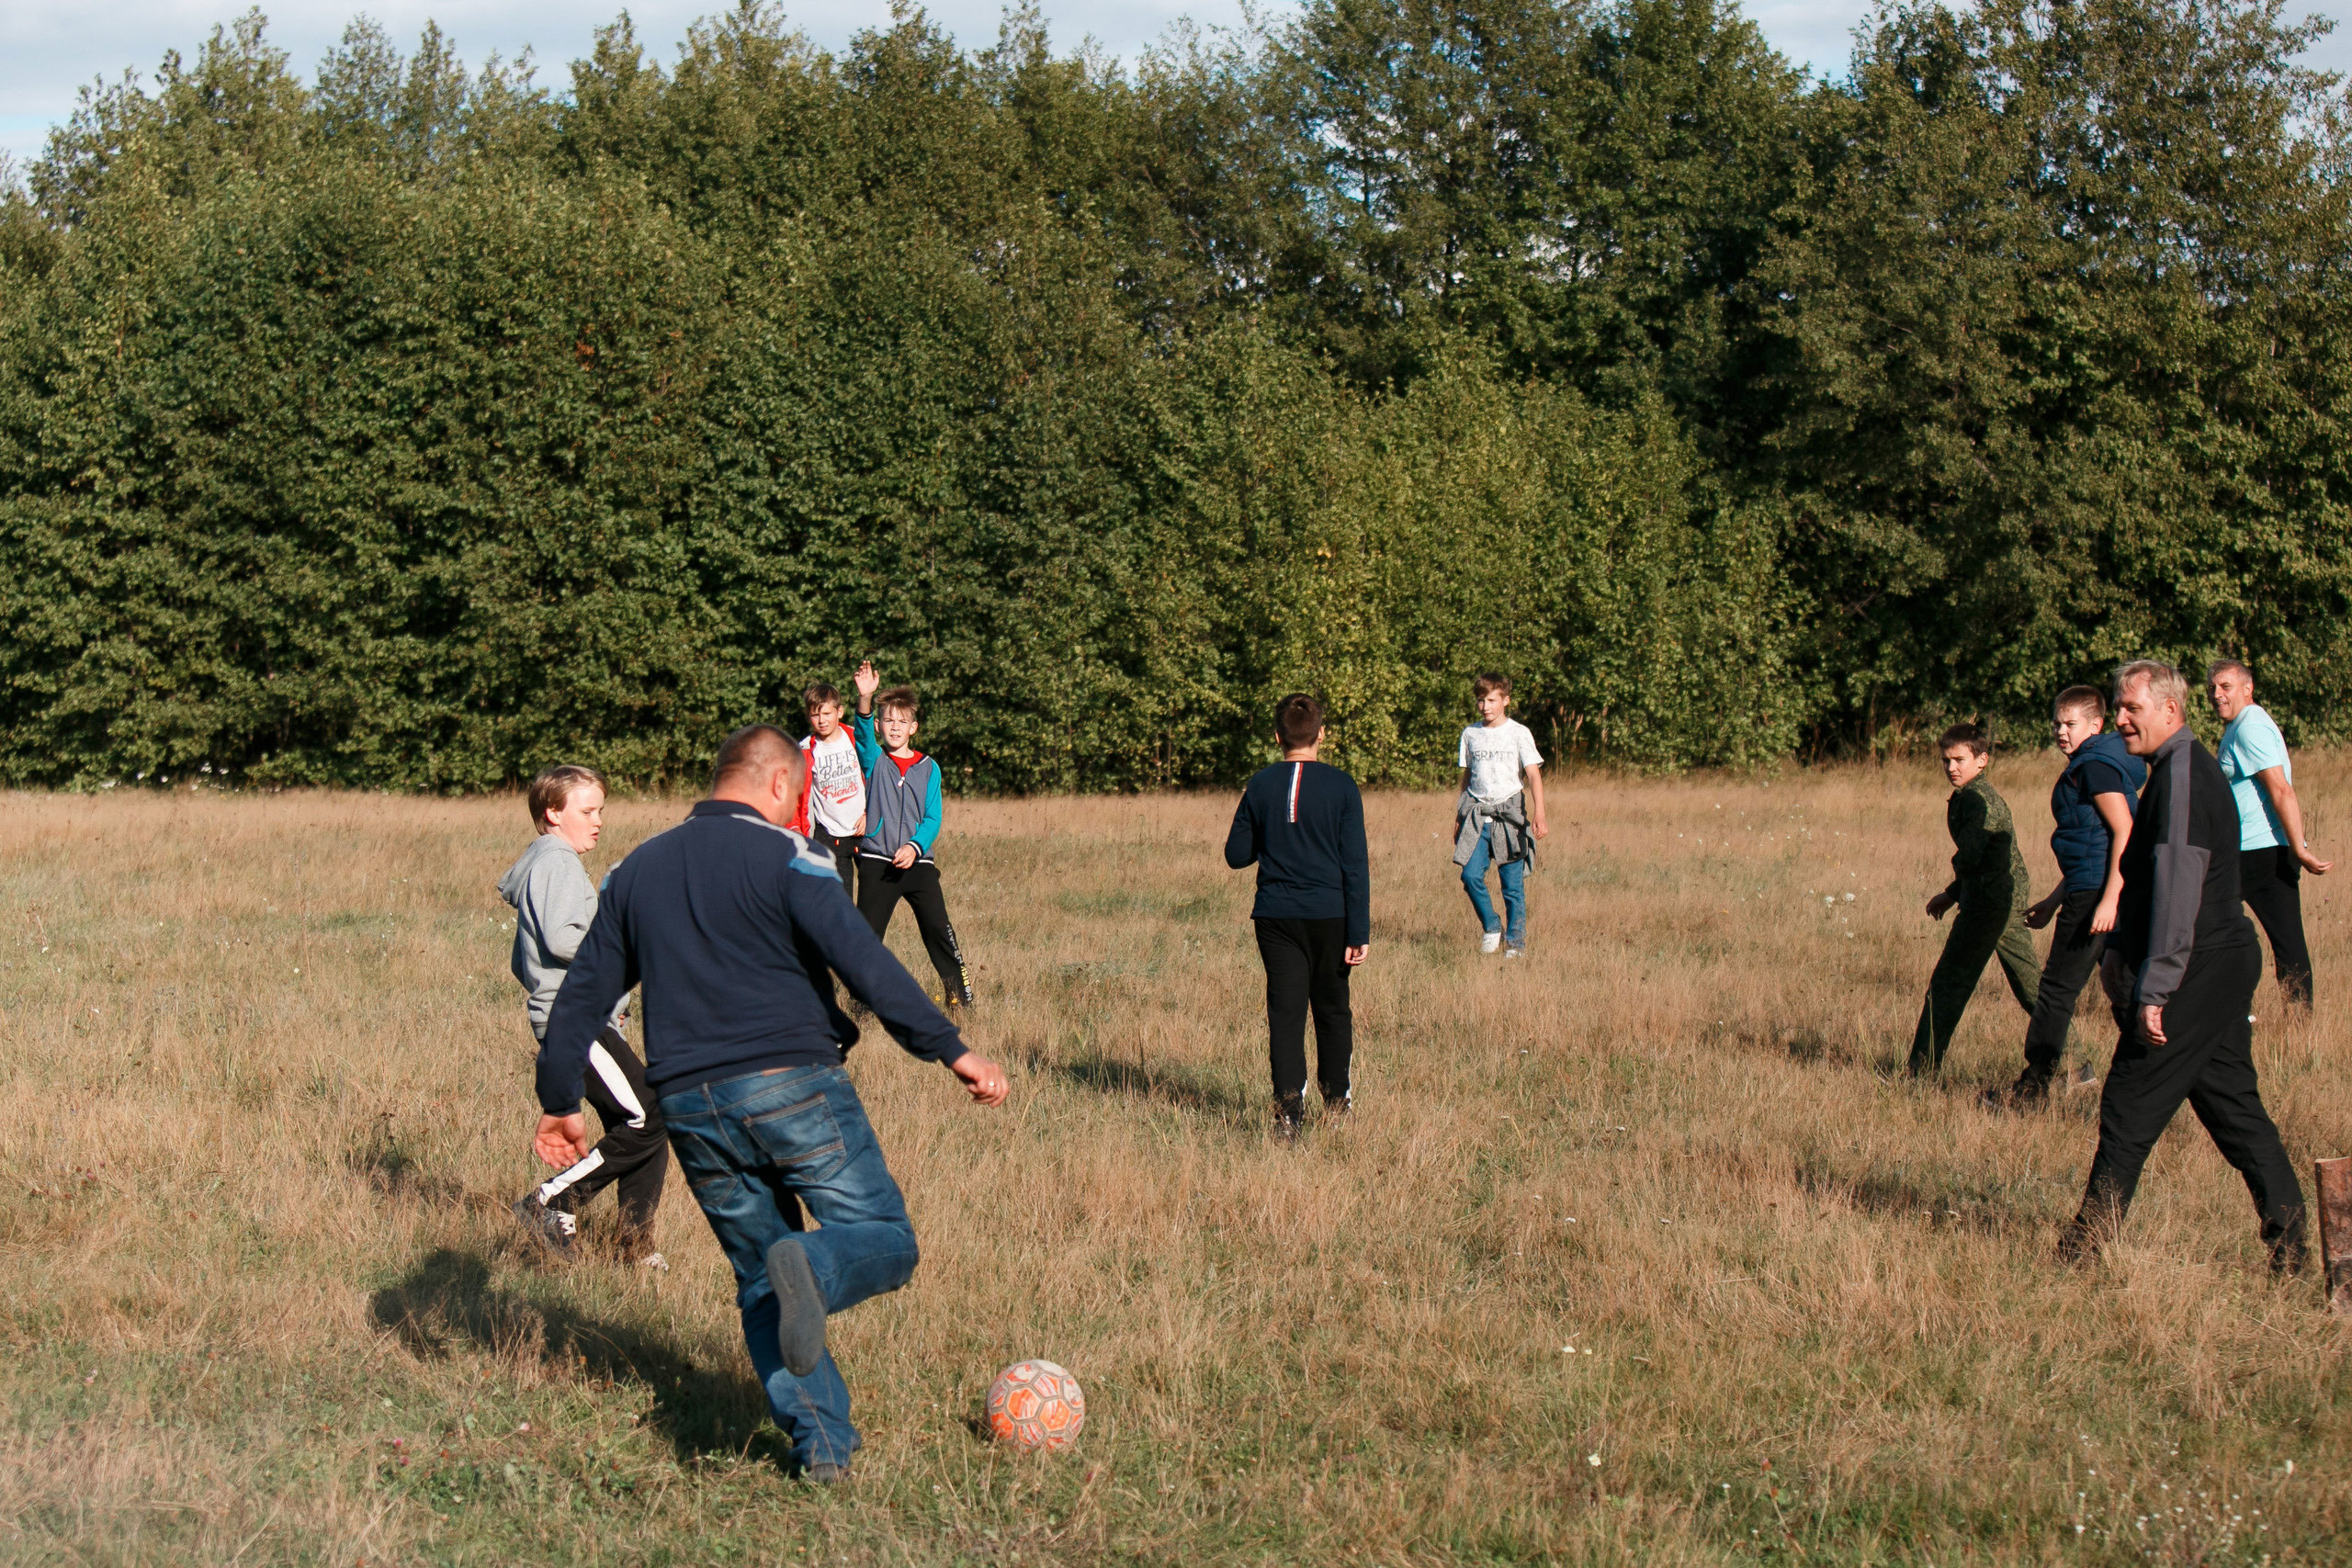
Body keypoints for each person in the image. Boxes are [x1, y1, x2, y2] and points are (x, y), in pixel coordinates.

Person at [531, 726, 1010, 1482]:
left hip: (688, 1102)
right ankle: (813, 1271)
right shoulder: (792, 854)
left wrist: (562, 1099)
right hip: (793, 1082)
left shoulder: (636, 871)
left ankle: (821, 1447)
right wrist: (953, 1048)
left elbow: (583, 993)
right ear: (783, 786)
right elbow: (865, 960)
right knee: (883, 1237)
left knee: (761, 1279)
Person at [2058, 662, 2306, 1270]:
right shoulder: (2172, 770)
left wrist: (2157, 985)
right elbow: (2147, 878)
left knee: (2128, 1101)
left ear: (2169, 711)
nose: (2119, 720)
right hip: (2212, 963)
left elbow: (2178, 887)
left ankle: (2082, 1250)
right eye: (2117, 708)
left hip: (2198, 964)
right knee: (2232, 1108)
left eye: (2129, 710)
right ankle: (2293, 1245)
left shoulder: (2187, 776)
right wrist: (2119, 953)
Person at [499, 764, 668, 1265]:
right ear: (553, 813)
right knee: (649, 1115)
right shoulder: (557, 862)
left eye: (601, 811)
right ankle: (550, 1201)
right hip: (576, 1020)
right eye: (588, 811)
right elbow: (562, 939)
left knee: (647, 1120)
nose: (598, 821)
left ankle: (633, 1247)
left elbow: (523, 960)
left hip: (578, 1016)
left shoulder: (548, 863)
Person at [1986, 687, 2145, 1109]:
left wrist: (2109, 898)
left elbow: (2124, 831)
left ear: (2096, 725)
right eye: (2057, 723)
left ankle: (2033, 1089)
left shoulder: (2095, 766)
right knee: (2125, 986)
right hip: (2092, 888)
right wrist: (2056, 898)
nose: (2060, 731)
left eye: (2070, 724)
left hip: (2100, 894)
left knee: (2056, 988)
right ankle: (2151, 1073)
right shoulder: (2096, 762)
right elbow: (2089, 844)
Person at [1224, 693, 1370, 1139]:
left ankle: (1288, 1115)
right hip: (1331, 916)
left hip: (1276, 917)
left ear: (1277, 737)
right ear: (1321, 734)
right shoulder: (1343, 786)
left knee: (1285, 1014)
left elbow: (1236, 855)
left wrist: (1273, 835)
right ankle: (1337, 1105)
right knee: (1332, 1010)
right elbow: (1355, 864)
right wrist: (1359, 930)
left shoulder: (1260, 784)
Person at [1910, 722, 2041, 1077]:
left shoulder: (1977, 798)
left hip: (1989, 906)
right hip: (2000, 900)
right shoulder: (1971, 794)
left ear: (1981, 760)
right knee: (2031, 987)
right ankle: (2075, 1065)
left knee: (1948, 986)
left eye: (1959, 760)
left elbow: (1973, 853)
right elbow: (1978, 856)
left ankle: (1920, 1072)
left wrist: (1956, 892)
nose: (1951, 767)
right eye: (1945, 761)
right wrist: (1953, 894)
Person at [848, 660, 973, 1010]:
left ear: (913, 727)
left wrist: (916, 847)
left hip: (918, 865)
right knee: (867, 939)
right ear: (880, 724)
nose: (895, 727)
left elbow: (933, 817)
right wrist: (866, 697)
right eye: (888, 720)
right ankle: (861, 1009)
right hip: (876, 863)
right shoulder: (874, 759)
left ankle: (960, 1000)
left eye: (902, 721)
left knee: (939, 932)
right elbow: (861, 733)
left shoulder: (929, 768)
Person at [2208, 660, 2331, 1006]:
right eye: (2213, 688)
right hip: (2262, 850)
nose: (2217, 695)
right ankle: (2297, 1023)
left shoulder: (2250, 728)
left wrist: (2300, 848)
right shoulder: (2244, 724)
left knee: (2205, 927)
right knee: (2287, 941)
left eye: (2225, 687)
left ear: (2248, 688)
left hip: (2255, 853)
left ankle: (2221, 1013)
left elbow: (2280, 789)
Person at [1453, 672, 1548, 956]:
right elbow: (1467, 776)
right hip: (1477, 815)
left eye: (1492, 700)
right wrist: (1459, 816)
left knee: (1512, 886)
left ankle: (1515, 943)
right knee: (1470, 875)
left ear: (1505, 700)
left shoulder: (1519, 733)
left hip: (1510, 816)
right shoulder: (1470, 734)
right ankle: (1492, 926)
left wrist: (1540, 814)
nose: (1485, 706)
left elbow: (1533, 774)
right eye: (1481, 700)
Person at [789, 682, 866, 890]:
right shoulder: (805, 750)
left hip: (863, 830)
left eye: (826, 713)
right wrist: (795, 828)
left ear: (839, 712)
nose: (822, 720)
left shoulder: (855, 738)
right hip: (829, 834)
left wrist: (870, 813)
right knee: (840, 897)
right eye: (815, 715)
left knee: (873, 894)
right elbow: (796, 795)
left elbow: (875, 776)